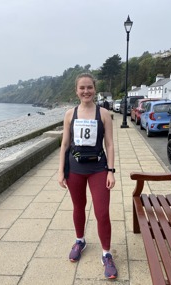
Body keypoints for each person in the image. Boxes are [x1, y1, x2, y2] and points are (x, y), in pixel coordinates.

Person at [58, 73, 117, 279]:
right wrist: (60, 171)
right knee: (78, 207)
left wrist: (110, 170)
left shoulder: (103, 114)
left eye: (89, 87)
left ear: (95, 89)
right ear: (76, 91)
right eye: (82, 88)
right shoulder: (69, 114)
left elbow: (109, 144)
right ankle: (80, 240)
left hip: (98, 169)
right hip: (75, 169)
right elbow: (65, 144)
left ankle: (106, 254)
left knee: (102, 212)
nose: (86, 91)